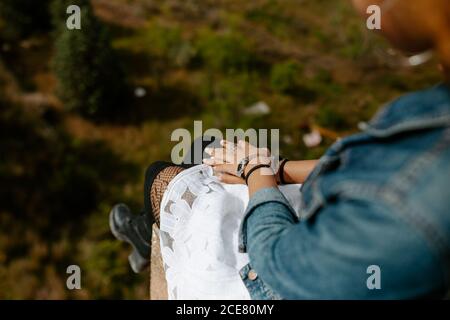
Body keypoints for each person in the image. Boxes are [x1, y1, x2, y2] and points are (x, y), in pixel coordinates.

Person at [110, 0, 450, 299]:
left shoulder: (416, 204)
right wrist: (275, 166)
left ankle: (144, 236)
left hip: (280, 274)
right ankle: (144, 231)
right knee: (204, 150)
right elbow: (367, 169)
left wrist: (257, 171)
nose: (361, 7)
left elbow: (277, 260)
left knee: (162, 175)